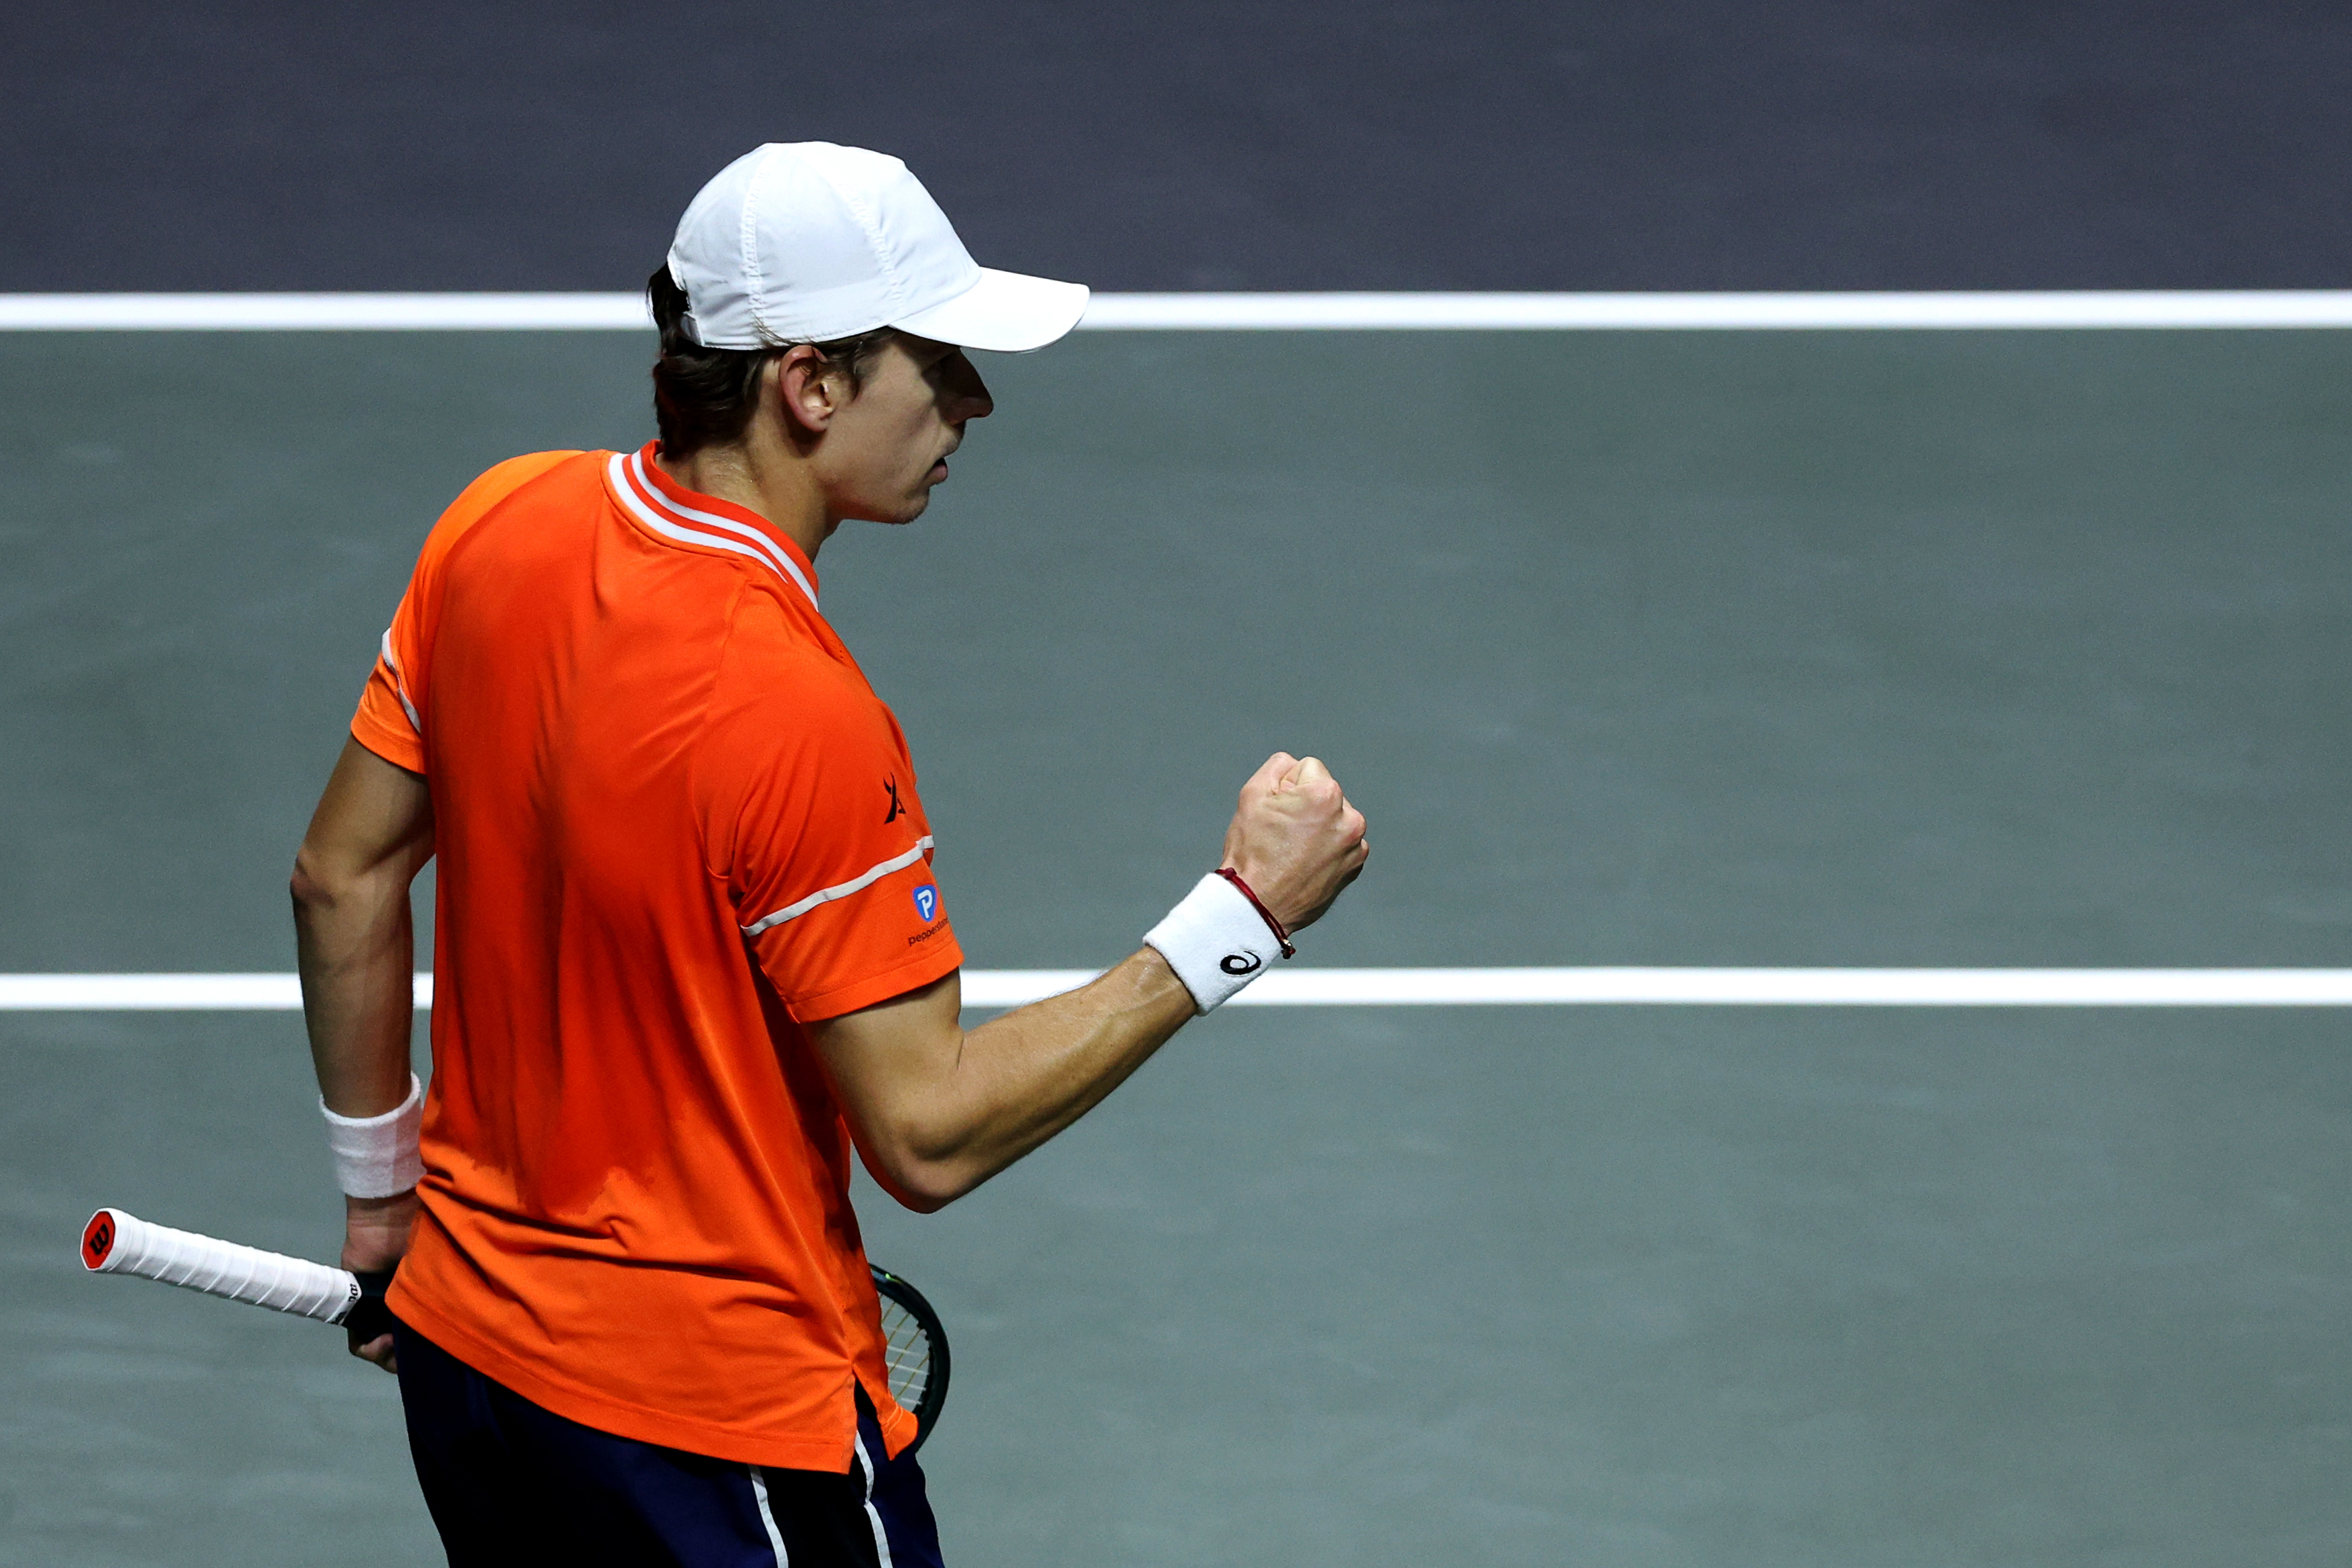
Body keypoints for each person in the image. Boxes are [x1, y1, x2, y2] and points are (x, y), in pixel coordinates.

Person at [290, 142, 1368, 1567]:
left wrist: (381, 1198)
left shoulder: (497, 524)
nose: (973, 402)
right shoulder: (796, 710)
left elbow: (342, 876)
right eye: (938, 363)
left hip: (475, 1383)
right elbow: (926, 1132)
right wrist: (1240, 919)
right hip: (721, 1439)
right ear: (811, 385)